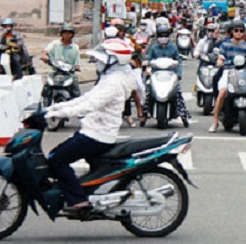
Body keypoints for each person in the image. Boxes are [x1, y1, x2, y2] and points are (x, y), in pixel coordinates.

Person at [46, 38, 135, 211]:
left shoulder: (114, 83)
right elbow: (86, 98)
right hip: (93, 131)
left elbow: (88, 106)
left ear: (114, 61)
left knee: (57, 159)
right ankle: (82, 193)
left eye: (102, 59)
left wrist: (59, 114)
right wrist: (56, 107)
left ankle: (78, 200)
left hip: (96, 135)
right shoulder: (111, 78)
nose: (98, 63)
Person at [209, 20, 246, 133]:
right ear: (231, 32)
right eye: (236, 30)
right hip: (228, 71)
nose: (238, 33)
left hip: (245, 72)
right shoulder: (225, 45)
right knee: (222, 92)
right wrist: (220, 61)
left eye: (241, 31)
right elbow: (221, 58)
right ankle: (215, 122)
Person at [146, 25, 190, 127]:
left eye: (165, 35)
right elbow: (149, 60)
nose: (163, 38)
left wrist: (178, 74)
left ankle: (184, 117)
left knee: (178, 94)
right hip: (156, 74)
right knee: (148, 94)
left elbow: (178, 61)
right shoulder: (153, 48)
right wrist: (147, 67)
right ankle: (144, 115)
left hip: (170, 75)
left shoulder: (173, 48)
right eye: (161, 35)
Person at [41, 23, 81, 99]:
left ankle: (76, 103)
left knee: (75, 87)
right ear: (61, 34)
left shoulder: (75, 47)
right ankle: (44, 104)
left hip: (69, 73)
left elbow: (77, 63)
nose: (67, 35)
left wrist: (76, 67)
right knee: (46, 88)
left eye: (69, 33)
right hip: (56, 72)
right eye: (65, 33)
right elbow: (46, 50)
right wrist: (44, 56)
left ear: (72, 35)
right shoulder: (55, 44)